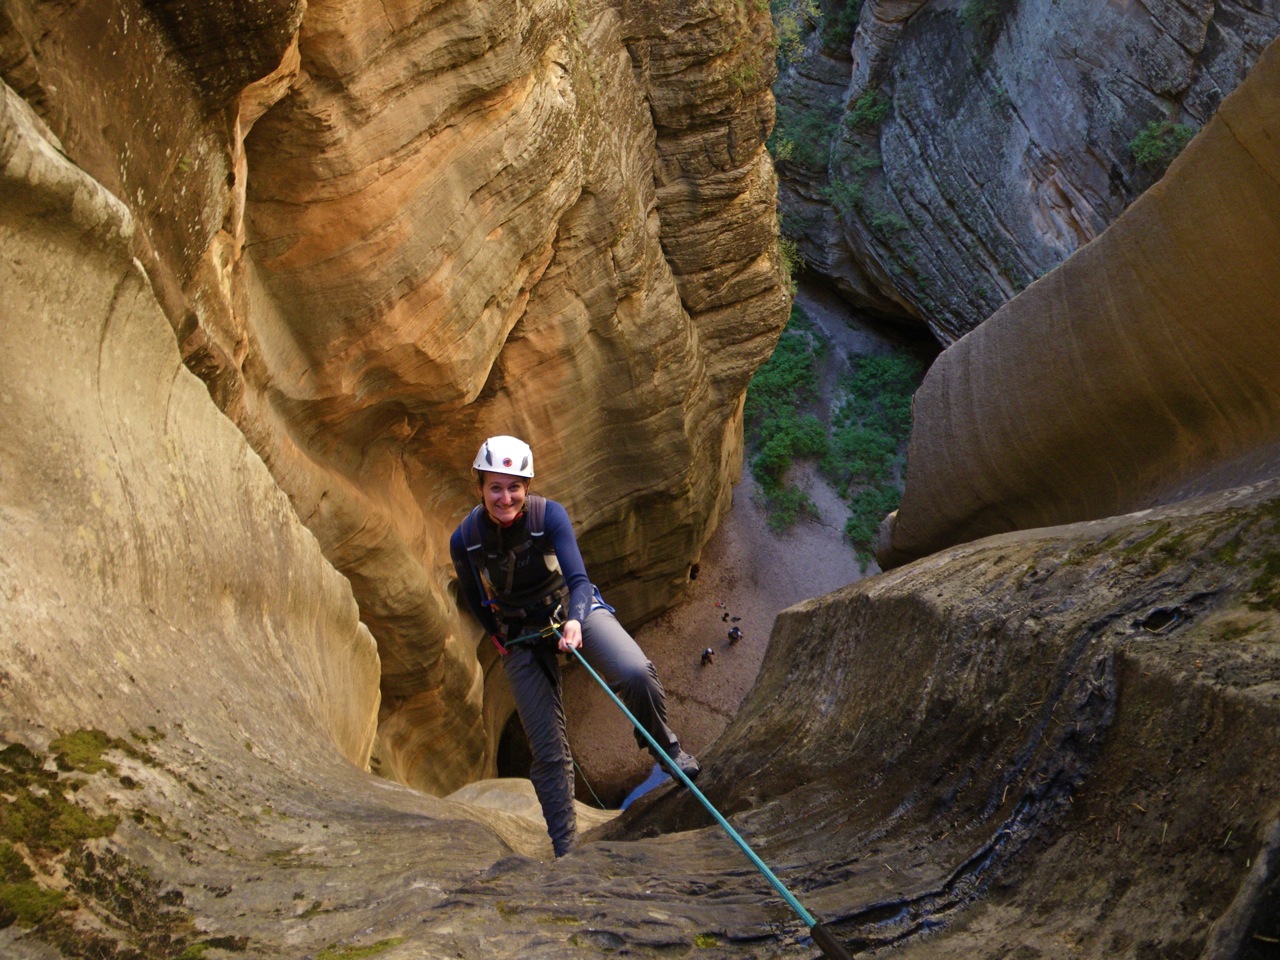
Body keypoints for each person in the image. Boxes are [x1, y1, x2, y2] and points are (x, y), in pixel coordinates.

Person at [450, 435, 700, 857]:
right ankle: (567, 846)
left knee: (636, 672)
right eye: (495, 486)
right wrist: (498, 635)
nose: (505, 497)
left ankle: (666, 748)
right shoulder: (467, 539)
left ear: (527, 487)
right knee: (547, 751)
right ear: (480, 488)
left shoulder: (549, 517)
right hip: (521, 634)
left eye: (514, 487)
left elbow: (580, 580)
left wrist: (574, 621)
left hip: (571, 607)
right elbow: (473, 595)